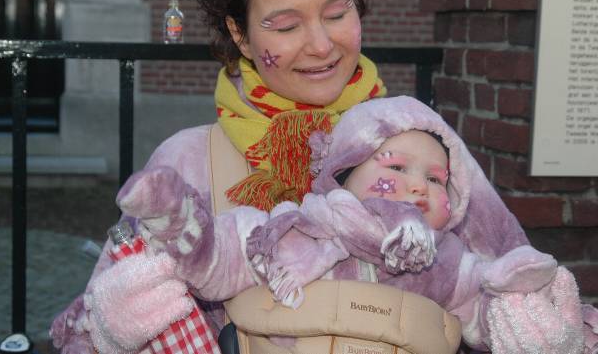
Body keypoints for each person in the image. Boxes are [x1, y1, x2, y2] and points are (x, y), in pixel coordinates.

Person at [49, 0, 591, 353]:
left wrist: (539, 324)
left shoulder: (422, 145)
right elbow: (92, 330)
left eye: (337, 13)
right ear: (240, 35)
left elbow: (504, 285)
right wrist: (118, 326)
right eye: (285, 26)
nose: (321, 45)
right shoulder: (188, 162)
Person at [243, 96, 598, 352]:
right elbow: (226, 254)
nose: (418, 186)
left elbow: (483, 318)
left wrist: (521, 306)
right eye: (397, 167)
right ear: (341, 174)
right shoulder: (300, 231)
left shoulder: (449, 264)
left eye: (435, 179)